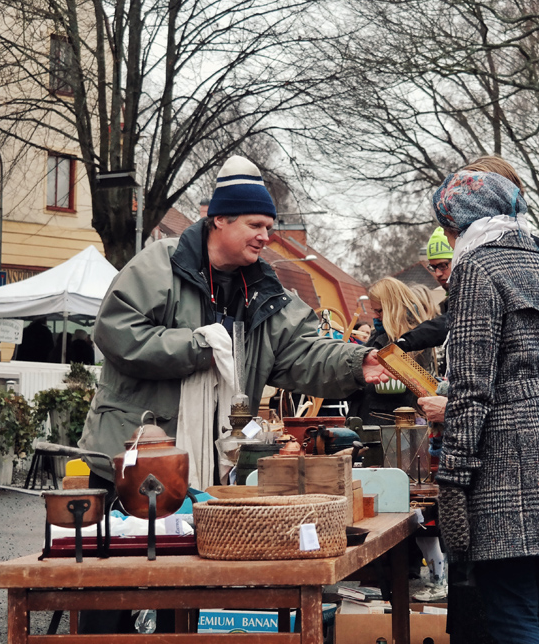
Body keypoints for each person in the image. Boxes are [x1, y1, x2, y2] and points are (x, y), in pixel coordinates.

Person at [78, 155, 391, 634]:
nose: (266, 236)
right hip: (132, 465)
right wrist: (203, 346)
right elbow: (117, 333)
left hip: (207, 475)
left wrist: (354, 362)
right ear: (218, 219)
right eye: (255, 224)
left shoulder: (265, 291)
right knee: (113, 598)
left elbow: (302, 356)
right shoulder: (157, 266)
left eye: (269, 225)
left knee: (182, 602)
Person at [429, 169, 539, 644]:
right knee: (536, 606)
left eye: (449, 228)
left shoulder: (478, 269)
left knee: (510, 613)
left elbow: (471, 386)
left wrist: (453, 476)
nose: (449, 239)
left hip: (505, 462)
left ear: (463, 224)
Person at [357, 276, 435, 420]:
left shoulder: (414, 339)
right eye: (373, 310)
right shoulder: (378, 335)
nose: (375, 316)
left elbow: (417, 387)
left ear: (393, 307)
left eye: (379, 311)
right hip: (370, 418)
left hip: (392, 423)